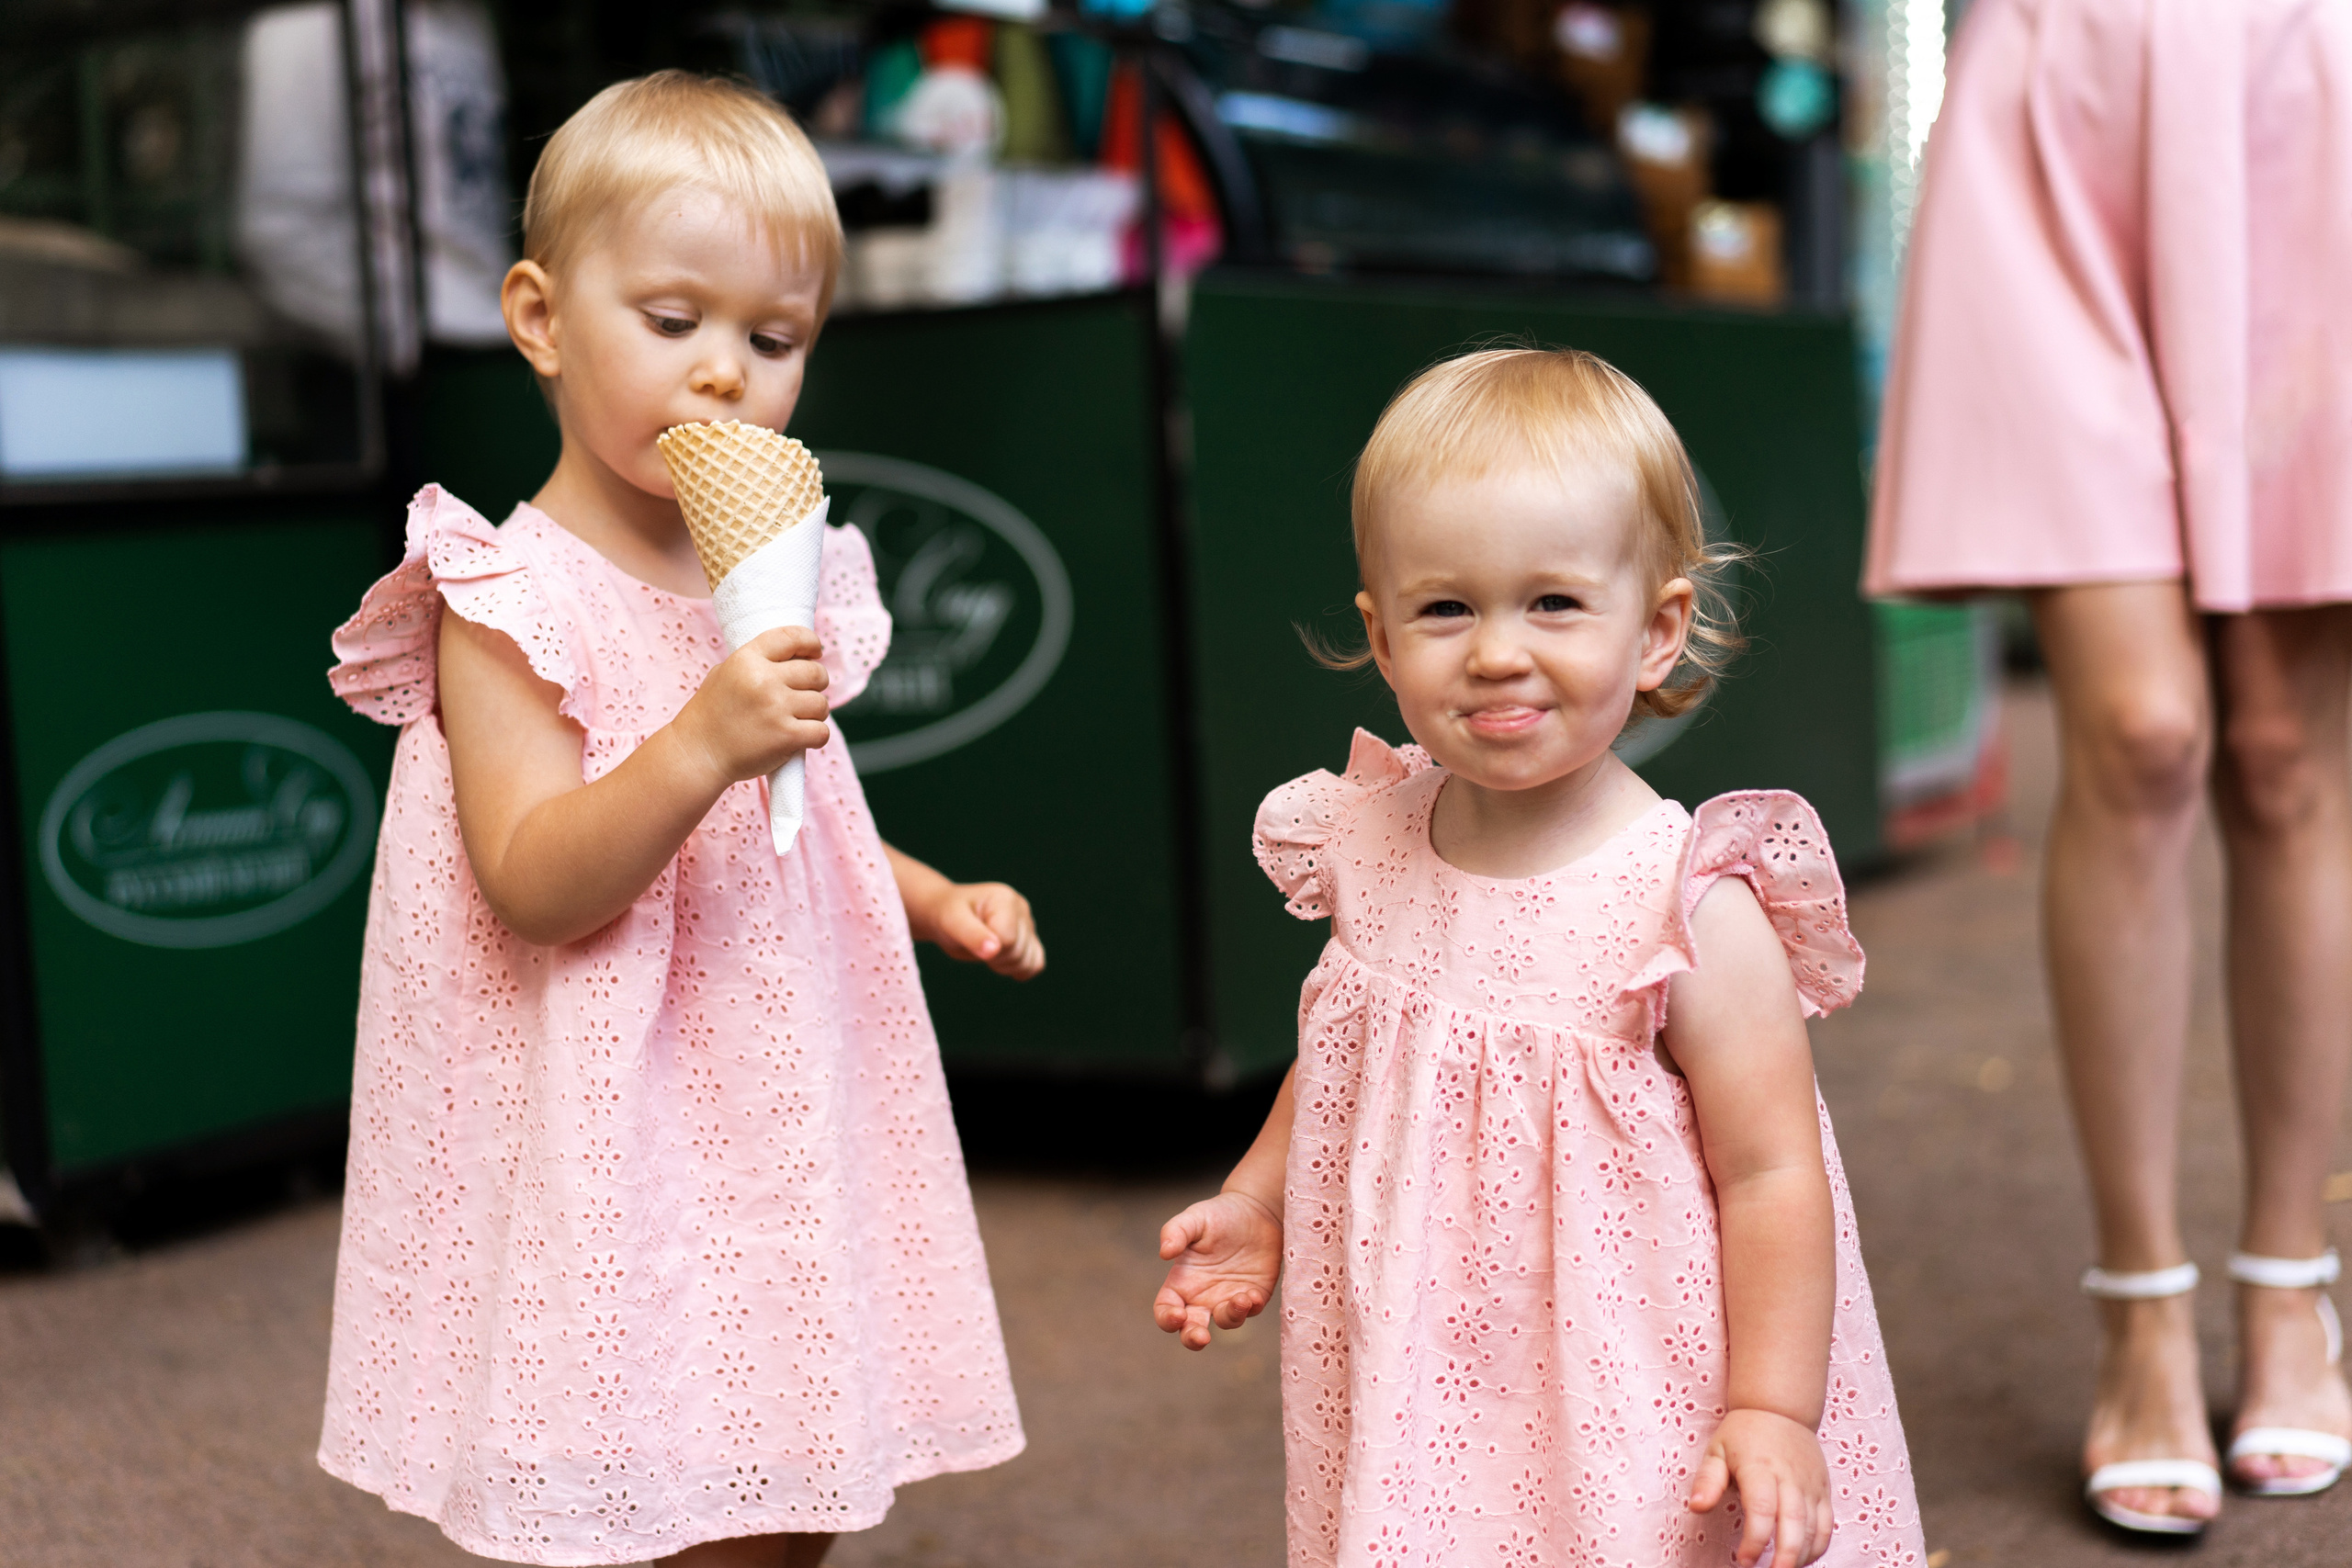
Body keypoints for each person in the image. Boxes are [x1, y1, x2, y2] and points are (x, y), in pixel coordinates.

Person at [314, 73, 1039, 1567]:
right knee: (663, 1490)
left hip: (771, 1102)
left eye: (771, 341)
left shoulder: (773, 575)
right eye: (672, 321)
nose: (724, 374)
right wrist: (701, 738)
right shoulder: (506, 596)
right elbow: (533, 880)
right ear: (541, 319)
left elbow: (799, 815)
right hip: (613, 1123)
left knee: (791, 1479)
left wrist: (926, 890)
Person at [1152, 348, 1926, 1567]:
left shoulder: (1687, 908)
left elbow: (1776, 1174)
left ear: (1659, 628)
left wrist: (1772, 1408)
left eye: (1554, 603)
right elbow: (1350, 1048)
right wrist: (1258, 1199)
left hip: (1633, 1384)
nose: (1498, 652)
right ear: (1384, 635)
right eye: (1447, 608)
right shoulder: (1370, 839)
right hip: (1425, 1361)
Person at [1864, 0, 2352, 1537]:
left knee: (2281, 756)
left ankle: (2291, 1287)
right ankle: (2140, 1300)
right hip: (2062, 83)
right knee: (2144, 737)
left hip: (2309, 80)